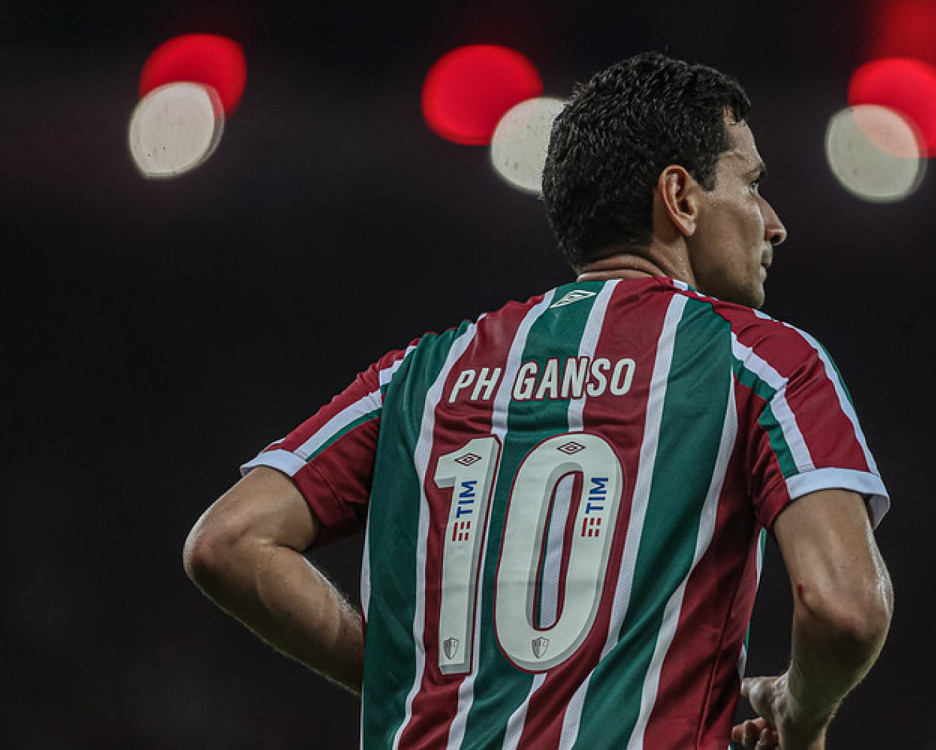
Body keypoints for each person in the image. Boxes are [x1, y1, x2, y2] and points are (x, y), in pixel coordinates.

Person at [183, 51, 893, 750]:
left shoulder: (421, 373)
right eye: (753, 184)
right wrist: (802, 712)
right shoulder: (761, 360)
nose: (774, 222)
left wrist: (404, 684)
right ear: (680, 199)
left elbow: (229, 542)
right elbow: (844, 610)